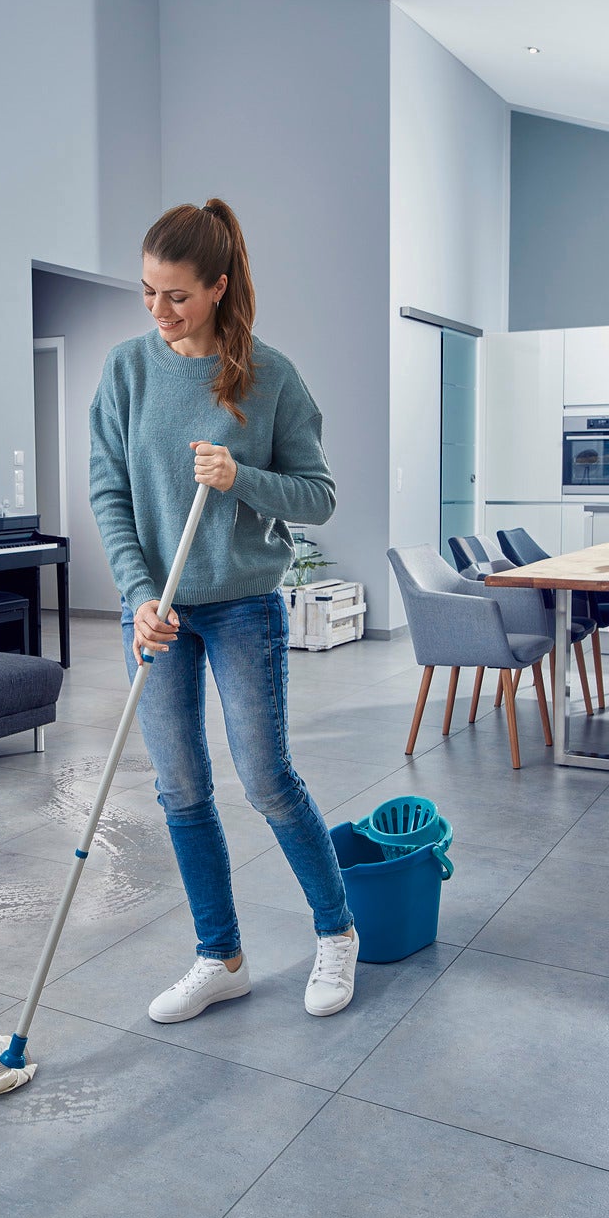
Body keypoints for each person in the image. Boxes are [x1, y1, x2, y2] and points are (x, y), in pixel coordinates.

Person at [88, 198, 358, 1023]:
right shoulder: (127, 371)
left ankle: (337, 931)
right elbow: (108, 494)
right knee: (180, 788)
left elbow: (319, 496)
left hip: (242, 605)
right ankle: (221, 956)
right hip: (160, 615)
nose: (159, 312)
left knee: (268, 778)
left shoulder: (268, 377)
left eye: (176, 295)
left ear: (217, 286)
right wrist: (137, 599)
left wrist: (243, 478)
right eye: (146, 292)